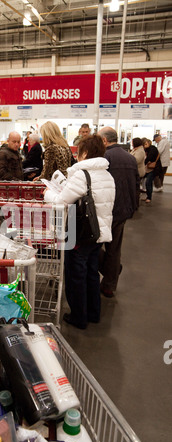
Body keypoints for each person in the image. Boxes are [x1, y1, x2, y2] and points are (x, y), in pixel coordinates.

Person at [44, 134, 115, 329]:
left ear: (84, 153)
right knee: (92, 274)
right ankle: (93, 313)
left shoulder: (82, 175)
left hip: (80, 235)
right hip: (98, 233)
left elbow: (60, 202)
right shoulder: (108, 175)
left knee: (76, 275)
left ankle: (78, 317)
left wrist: (48, 193)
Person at [98, 127, 140, 298]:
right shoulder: (130, 158)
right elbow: (136, 184)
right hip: (123, 210)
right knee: (114, 248)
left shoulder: (104, 159)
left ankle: (111, 269)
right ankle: (110, 283)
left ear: (104, 141)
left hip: (106, 209)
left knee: (92, 247)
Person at [141, 138, 161, 203]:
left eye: (146, 143)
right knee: (146, 182)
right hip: (147, 168)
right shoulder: (146, 149)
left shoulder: (153, 149)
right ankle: (148, 196)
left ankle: (149, 197)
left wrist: (143, 164)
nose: (145, 145)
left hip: (153, 168)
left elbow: (149, 158)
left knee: (148, 182)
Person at [130, 137, 146, 205]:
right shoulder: (137, 150)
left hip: (139, 172)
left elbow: (136, 160)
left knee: (136, 189)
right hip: (136, 171)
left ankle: (135, 203)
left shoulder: (140, 151)